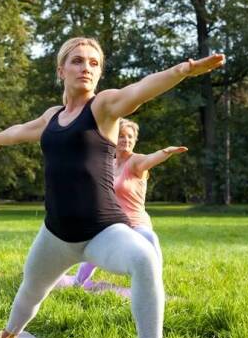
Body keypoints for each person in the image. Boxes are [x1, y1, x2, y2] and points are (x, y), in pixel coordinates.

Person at [0, 37, 224, 338]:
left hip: (103, 229)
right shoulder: (52, 118)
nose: (86, 68)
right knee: (31, 290)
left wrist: (183, 70)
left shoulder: (103, 107)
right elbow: (18, 132)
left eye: (93, 63)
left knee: (144, 259)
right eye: (77, 61)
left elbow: (140, 90)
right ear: (61, 70)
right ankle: (9, 337)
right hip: (55, 234)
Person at [73, 119, 187, 286]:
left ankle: (155, 284)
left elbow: (150, 159)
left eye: (130, 136)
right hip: (113, 223)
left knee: (148, 237)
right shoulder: (108, 164)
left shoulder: (136, 162)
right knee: (94, 247)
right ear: (112, 138)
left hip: (135, 222)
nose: (126, 140)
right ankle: (78, 283)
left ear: (135, 140)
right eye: (121, 136)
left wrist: (166, 152)